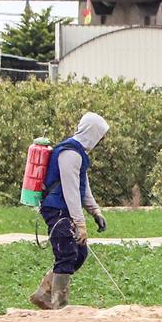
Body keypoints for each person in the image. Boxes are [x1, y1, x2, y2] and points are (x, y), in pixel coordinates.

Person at [29, 112, 110, 310]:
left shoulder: (79, 154)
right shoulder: (69, 153)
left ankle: (44, 292)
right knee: (66, 253)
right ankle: (59, 304)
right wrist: (80, 223)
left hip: (65, 210)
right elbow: (70, 189)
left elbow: (84, 186)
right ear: (92, 133)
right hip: (56, 209)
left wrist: (95, 211)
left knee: (79, 252)